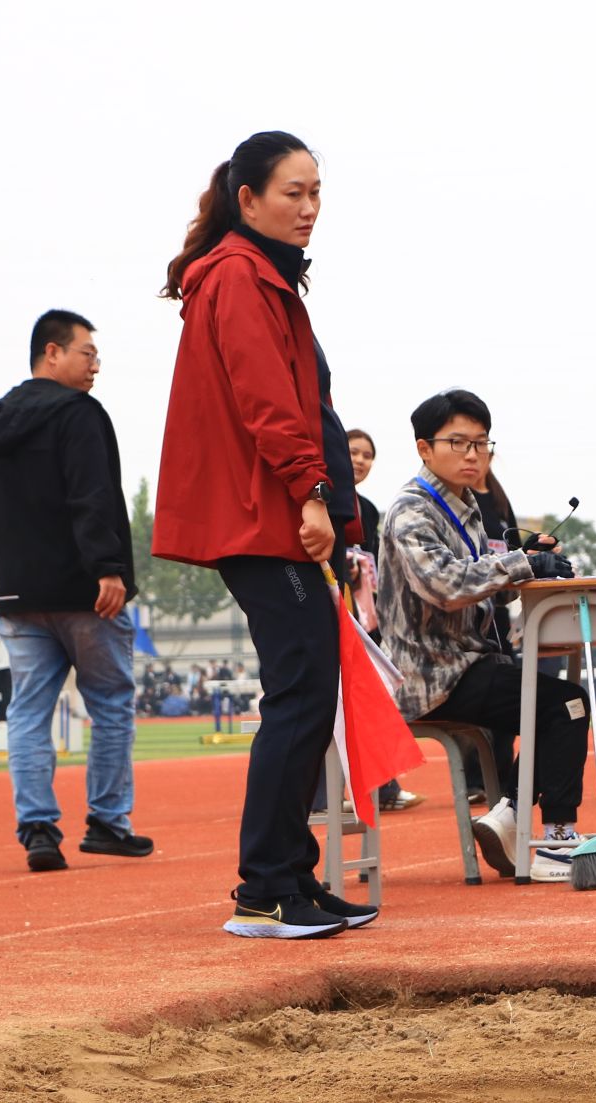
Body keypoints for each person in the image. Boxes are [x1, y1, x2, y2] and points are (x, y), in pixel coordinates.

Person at [154, 130, 375, 940]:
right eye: (293, 192)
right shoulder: (240, 276)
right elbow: (267, 400)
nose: (310, 207)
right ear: (247, 199)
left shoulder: (259, 274)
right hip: (263, 516)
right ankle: (265, 888)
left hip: (270, 512)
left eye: (317, 192)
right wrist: (311, 493)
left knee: (308, 689)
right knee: (301, 690)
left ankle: (290, 875)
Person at [377, 388, 587, 882]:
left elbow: (482, 590)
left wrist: (530, 564)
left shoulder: (466, 506)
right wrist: (519, 565)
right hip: (430, 674)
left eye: (481, 443)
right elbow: (446, 586)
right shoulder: (411, 511)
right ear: (424, 448)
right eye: (458, 442)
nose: (473, 454)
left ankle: (510, 814)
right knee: (566, 704)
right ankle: (553, 837)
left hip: (469, 665)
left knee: (562, 703)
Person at [0, 308, 152, 874]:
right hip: (86, 593)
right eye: (87, 353)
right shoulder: (79, 413)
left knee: (28, 710)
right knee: (111, 705)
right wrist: (108, 568)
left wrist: (8, 572)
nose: (96, 365)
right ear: (53, 352)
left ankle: (38, 830)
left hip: (20, 597)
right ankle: (107, 822)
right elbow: (91, 495)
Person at [347, 426, 423, 814]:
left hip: (367, 618)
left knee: (375, 696)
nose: (360, 460)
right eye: (353, 452)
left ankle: (385, 786)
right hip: (333, 614)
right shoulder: (319, 500)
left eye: (367, 455)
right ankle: (324, 792)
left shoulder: (368, 508)